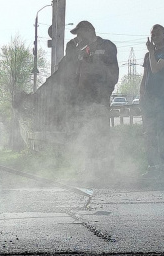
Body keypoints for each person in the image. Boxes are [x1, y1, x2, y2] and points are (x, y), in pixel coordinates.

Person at [66, 21, 119, 179]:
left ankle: (105, 170)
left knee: (101, 132)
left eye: (80, 34)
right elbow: (76, 73)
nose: (79, 37)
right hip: (84, 99)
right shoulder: (81, 51)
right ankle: (88, 169)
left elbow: (113, 71)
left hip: (100, 97)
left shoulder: (106, 46)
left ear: (89, 31)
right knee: (86, 132)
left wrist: (107, 90)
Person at [140, 24, 164, 177]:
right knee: (149, 133)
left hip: (162, 99)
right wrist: (141, 95)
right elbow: (146, 75)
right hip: (148, 100)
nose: (154, 37)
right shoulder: (148, 55)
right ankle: (153, 167)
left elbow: (155, 69)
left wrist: (151, 52)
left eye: (157, 34)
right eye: (152, 34)